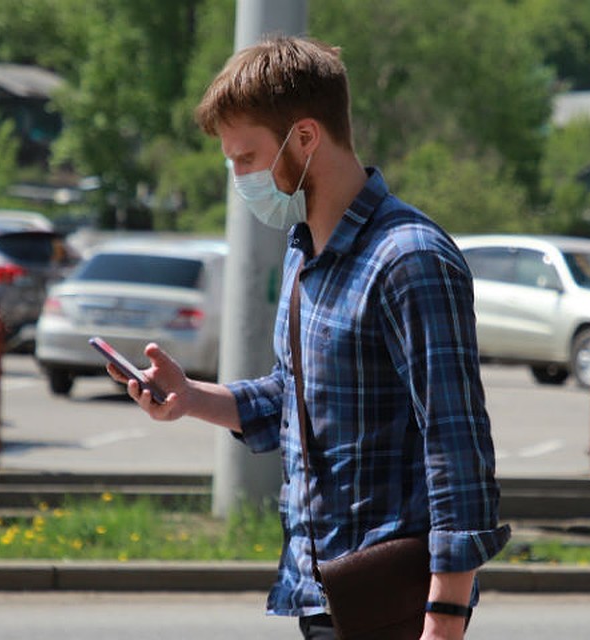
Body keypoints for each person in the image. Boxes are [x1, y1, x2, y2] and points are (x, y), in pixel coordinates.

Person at [108, 35, 510, 640]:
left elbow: (458, 449)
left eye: (246, 157)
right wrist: (190, 397)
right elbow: (294, 397)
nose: (239, 178)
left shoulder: (410, 259)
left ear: (304, 137)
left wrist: (445, 619)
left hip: (393, 601)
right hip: (324, 594)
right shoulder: (304, 253)